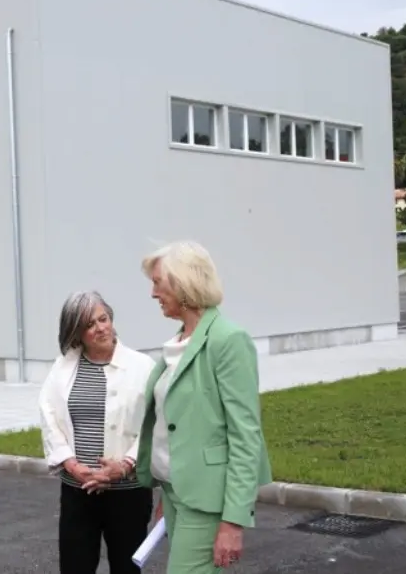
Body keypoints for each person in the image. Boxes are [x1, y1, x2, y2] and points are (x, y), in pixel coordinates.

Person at [134, 241, 272, 573]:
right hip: (176, 493)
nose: (153, 293)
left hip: (207, 501)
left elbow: (245, 436)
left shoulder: (227, 340)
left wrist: (233, 522)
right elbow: (174, 426)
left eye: (157, 282)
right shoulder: (180, 342)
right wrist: (167, 494)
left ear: (183, 283)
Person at [38, 291, 156, 574]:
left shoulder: (143, 367)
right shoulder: (63, 367)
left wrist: (125, 464)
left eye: (103, 319)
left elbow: (155, 423)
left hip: (128, 492)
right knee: (75, 566)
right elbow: (48, 415)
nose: (100, 328)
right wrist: (71, 464)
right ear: (76, 332)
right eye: (89, 324)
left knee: (126, 569)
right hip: (78, 491)